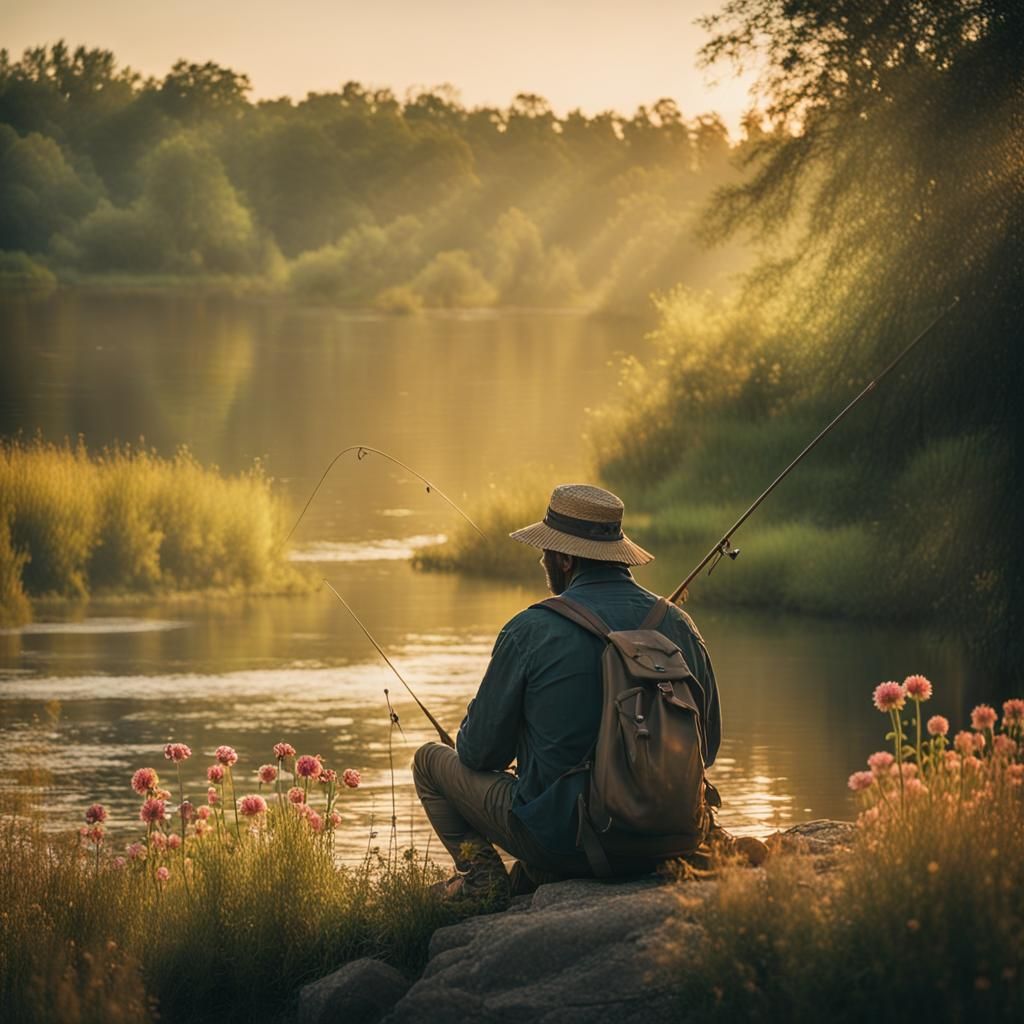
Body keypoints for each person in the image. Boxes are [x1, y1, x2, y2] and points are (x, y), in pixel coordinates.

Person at [412, 483, 722, 902]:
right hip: (674, 837)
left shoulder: (529, 630)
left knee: (429, 762)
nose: (542, 559)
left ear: (564, 558)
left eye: (546, 550)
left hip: (568, 845)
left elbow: (479, 754)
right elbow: (708, 747)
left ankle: (481, 881)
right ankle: (532, 875)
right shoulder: (678, 625)